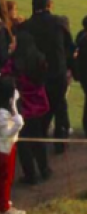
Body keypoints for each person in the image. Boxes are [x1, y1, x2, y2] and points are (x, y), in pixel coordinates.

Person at [15, 0, 73, 154]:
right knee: (59, 107)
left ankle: (38, 142)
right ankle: (59, 144)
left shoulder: (24, 27)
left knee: (37, 111)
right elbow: (69, 47)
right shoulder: (59, 22)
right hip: (57, 74)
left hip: (34, 76)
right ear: (49, 5)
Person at [1, 32, 50, 186]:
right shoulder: (40, 58)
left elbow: (6, 80)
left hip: (21, 105)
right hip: (38, 103)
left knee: (23, 142)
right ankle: (45, 169)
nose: (12, 44)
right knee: (37, 137)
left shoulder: (13, 63)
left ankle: (31, 175)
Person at [0, 77, 25, 214]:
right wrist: (15, 109)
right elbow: (8, 133)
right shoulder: (2, 114)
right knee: (5, 178)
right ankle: (4, 208)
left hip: (6, 148)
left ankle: (4, 201)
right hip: (4, 150)